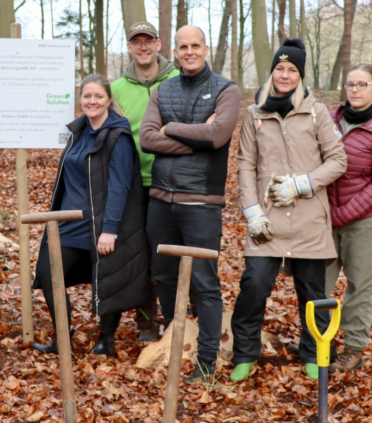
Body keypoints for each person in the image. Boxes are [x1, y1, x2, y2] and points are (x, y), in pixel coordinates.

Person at [231, 38, 347, 382]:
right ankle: (245, 353)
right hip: (267, 220)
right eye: (280, 68)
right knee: (253, 284)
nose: (285, 75)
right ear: (272, 73)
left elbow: (338, 160)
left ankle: (314, 353)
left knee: (313, 291)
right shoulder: (255, 114)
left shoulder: (316, 112)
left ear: (300, 75)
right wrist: (253, 212)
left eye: (292, 70)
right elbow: (245, 165)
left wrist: (302, 184)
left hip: (309, 216)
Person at [138, 25, 241, 383]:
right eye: (183, 47)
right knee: (164, 276)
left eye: (195, 45)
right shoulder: (162, 90)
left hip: (201, 202)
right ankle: (174, 342)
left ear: (205, 48)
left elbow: (217, 136)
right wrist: (190, 135)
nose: (190, 51)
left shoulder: (226, 90)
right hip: (161, 201)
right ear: (176, 51)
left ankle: (207, 363)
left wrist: (172, 129)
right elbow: (147, 139)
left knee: (204, 282)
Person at [29, 74, 149, 358]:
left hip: (102, 223)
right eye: (87, 96)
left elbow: (120, 188)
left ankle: (105, 341)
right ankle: (62, 338)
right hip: (69, 223)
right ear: (80, 99)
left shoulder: (117, 136)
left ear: (109, 100)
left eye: (98, 96)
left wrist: (110, 230)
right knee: (48, 275)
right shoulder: (79, 131)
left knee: (109, 276)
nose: (92, 101)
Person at [109, 21, 179, 344]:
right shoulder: (118, 88)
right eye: (136, 42)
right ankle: (148, 326)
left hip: (172, 178)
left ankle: (180, 322)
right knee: (141, 256)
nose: (143, 47)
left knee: (171, 255)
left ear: (159, 44)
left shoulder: (178, 80)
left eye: (148, 41)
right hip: (134, 181)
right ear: (130, 47)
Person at [325, 63, 372, 372]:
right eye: (350, 85)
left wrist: (343, 214)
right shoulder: (328, 122)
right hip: (325, 220)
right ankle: (319, 344)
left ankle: (353, 349)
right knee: (318, 286)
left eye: (362, 84)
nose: (355, 90)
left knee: (359, 288)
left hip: (366, 222)